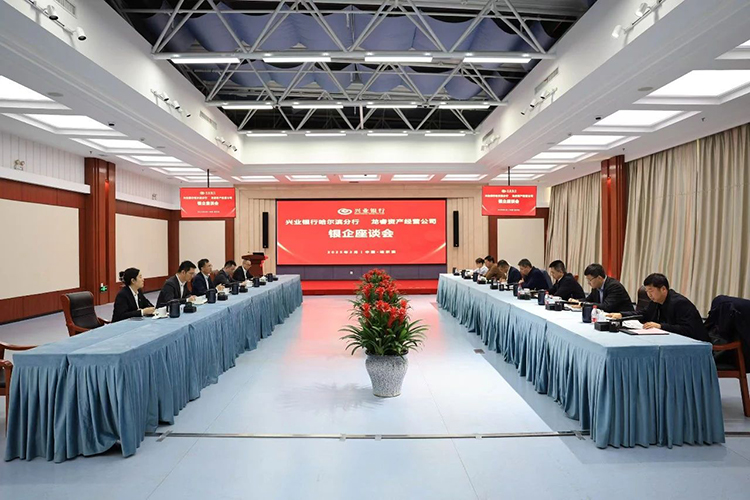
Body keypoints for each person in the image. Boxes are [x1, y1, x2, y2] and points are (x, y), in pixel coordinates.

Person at [608, 273, 709, 341]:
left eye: (651, 291)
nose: (649, 295)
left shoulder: (680, 303)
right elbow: (643, 313)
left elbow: (688, 330)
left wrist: (660, 326)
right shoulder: (656, 301)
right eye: (647, 291)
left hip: (694, 343)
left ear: (663, 289)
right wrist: (621, 315)